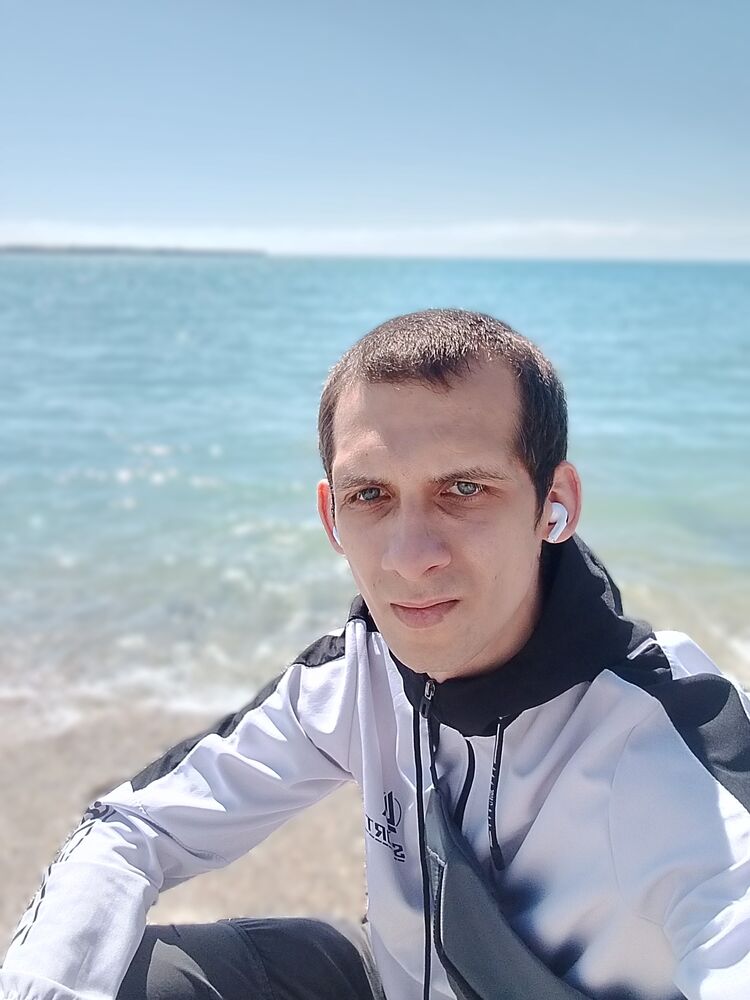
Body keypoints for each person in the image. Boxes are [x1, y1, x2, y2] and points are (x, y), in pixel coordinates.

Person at [2, 308, 749, 1000]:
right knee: (122, 970)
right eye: (371, 496)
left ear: (556, 501)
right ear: (331, 514)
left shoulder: (666, 741)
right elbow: (133, 828)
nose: (409, 557)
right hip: (389, 981)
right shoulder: (359, 672)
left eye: (464, 488)